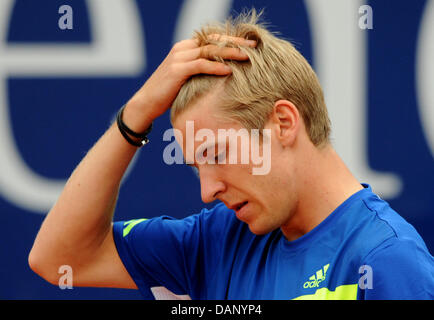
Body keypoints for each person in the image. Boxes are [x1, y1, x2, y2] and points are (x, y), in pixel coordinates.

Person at [29, 10, 434, 300]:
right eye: (197, 166)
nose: (207, 191)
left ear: (283, 122)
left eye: (218, 154)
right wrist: (135, 115)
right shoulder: (214, 243)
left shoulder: (386, 260)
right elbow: (59, 260)